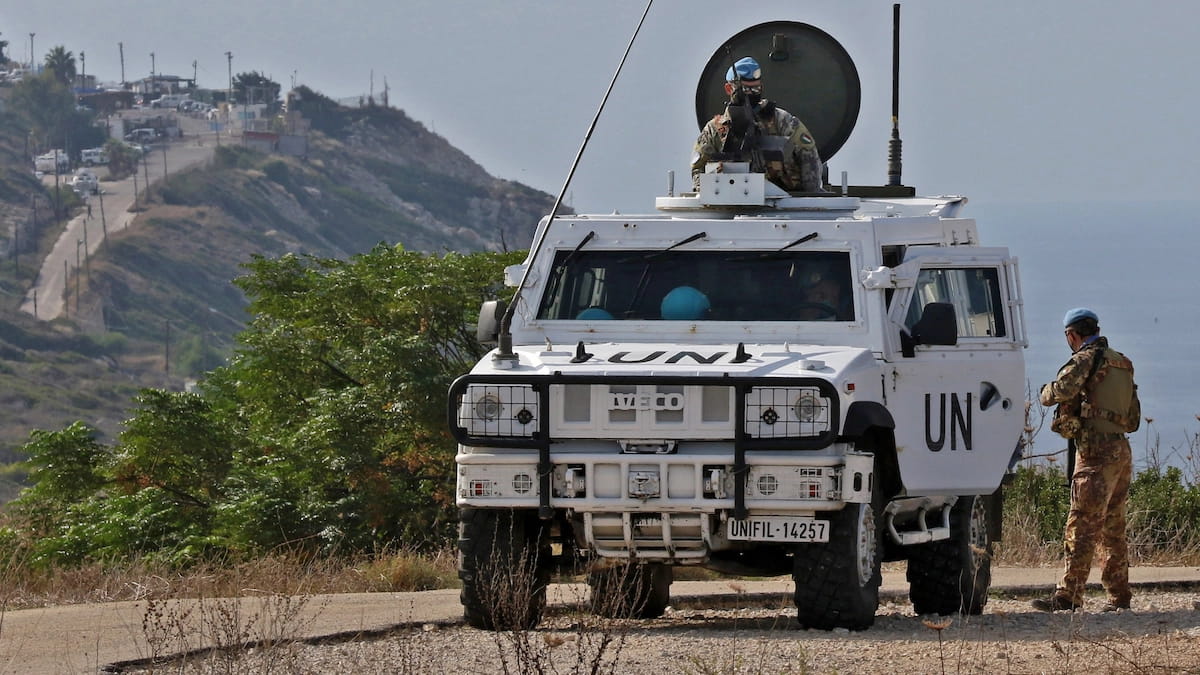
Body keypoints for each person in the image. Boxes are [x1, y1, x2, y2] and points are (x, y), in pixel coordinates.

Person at [1032, 308, 1140, 613]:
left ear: (1072, 335)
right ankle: (1119, 597)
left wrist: (1046, 392)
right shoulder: (1122, 362)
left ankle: (1069, 596)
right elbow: (1132, 420)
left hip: (1095, 453)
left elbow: (1061, 390)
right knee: (1112, 527)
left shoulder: (1084, 359)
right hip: (1121, 450)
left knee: (1081, 524)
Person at [691, 56, 823, 193]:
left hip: (783, 203)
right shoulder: (714, 130)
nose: (751, 95)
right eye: (745, 90)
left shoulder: (783, 122)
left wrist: (808, 199)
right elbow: (698, 168)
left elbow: (809, 157)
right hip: (730, 204)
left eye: (756, 89)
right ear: (729, 89)